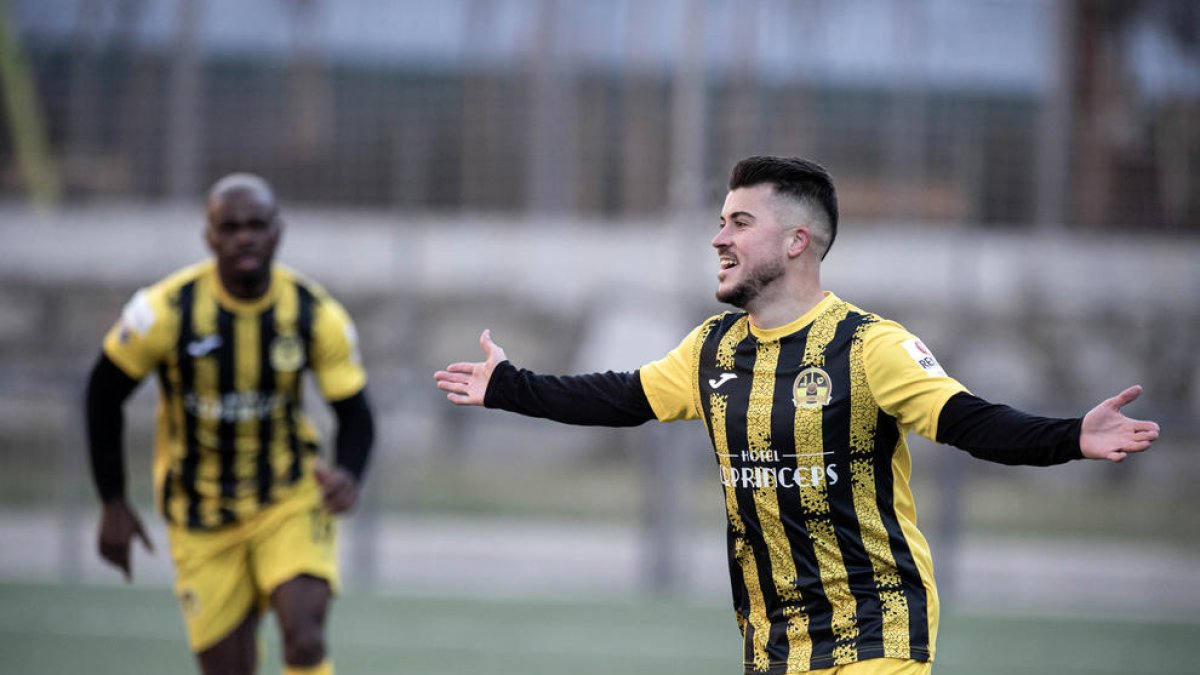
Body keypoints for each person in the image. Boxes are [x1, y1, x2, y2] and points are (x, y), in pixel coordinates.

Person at [434, 156, 1160, 675]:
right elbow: (621, 396)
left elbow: (971, 420)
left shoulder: (870, 346)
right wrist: (510, 386)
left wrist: (1071, 435)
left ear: (796, 241)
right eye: (720, 221)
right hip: (774, 644)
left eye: (739, 222)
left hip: (876, 633)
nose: (718, 238)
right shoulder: (712, 348)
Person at [85, 173, 375, 675]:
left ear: (277, 232)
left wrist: (349, 473)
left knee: (305, 638)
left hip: (287, 496)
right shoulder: (165, 312)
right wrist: (112, 499)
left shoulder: (314, 314)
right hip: (200, 515)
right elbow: (102, 393)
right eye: (231, 226)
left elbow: (355, 412)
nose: (245, 236)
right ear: (210, 237)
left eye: (257, 225)